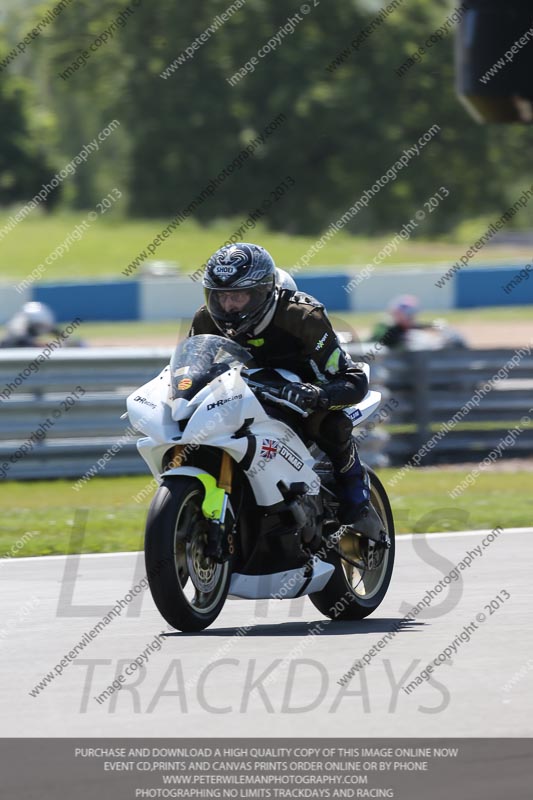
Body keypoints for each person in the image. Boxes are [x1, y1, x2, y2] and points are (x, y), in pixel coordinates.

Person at [188, 242, 384, 540]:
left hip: (304, 392)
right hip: (243, 392)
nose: (228, 307)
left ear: (262, 293)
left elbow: (352, 378)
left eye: (238, 296)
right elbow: (193, 367)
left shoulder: (302, 316)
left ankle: (357, 498)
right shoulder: (205, 318)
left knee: (331, 425)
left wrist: (319, 395)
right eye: (220, 297)